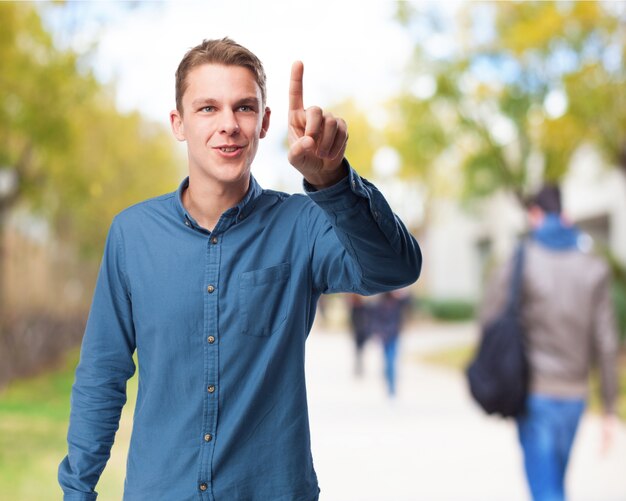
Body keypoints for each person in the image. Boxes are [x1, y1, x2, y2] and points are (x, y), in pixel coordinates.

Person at [58, 38, 422, 501]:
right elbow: (101, 375)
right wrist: (77, 491)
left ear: (265, 122)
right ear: (179, 123)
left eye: (244, 108)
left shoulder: (303, 224)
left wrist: (332, 181)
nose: (228, 125)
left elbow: (395, 269)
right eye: (208, 108)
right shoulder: (132, 235)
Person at [480, 184, 620, 501]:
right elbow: (606, 342)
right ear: (566, 216)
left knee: (546, 490)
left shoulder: (520, 261)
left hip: (534, 393)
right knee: (554, 483)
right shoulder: (594, 267)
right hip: (575, 396)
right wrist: (609, 406)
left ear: (535, 215)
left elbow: (489, 318)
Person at [370, 289, 412, 397]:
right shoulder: (379, 303)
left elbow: (410, 302)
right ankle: (389, 383)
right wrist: (377, 333)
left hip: (394, 334)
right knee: (387, 362)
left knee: (391, 360)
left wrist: (403, 294)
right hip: (384, 336)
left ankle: (392, 387)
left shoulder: (398, 302)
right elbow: (375, 320)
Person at [346, 293, 373, 376]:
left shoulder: (363, 307)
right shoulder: (355, 308)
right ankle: (359, 368)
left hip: (362, 332)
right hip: (358, 332)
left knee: (360, 350)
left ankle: (360, 368)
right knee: (359, 351)